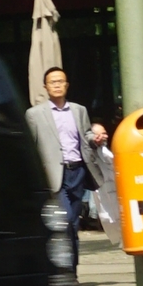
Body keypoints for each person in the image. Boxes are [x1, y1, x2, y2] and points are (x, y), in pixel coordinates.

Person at [26, 68, 114, 252]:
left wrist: (94, 139)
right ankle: (62, 268)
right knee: (64, 222)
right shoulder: (35, 114)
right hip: (54, 175)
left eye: (60, 81)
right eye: (53, 82)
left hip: (78, 171)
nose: (57, 85)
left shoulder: (79, 110)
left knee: (73, 225)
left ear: (67, 85)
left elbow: (86, 134)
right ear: (46, 87)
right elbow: (31, 146)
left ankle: (71, 272)